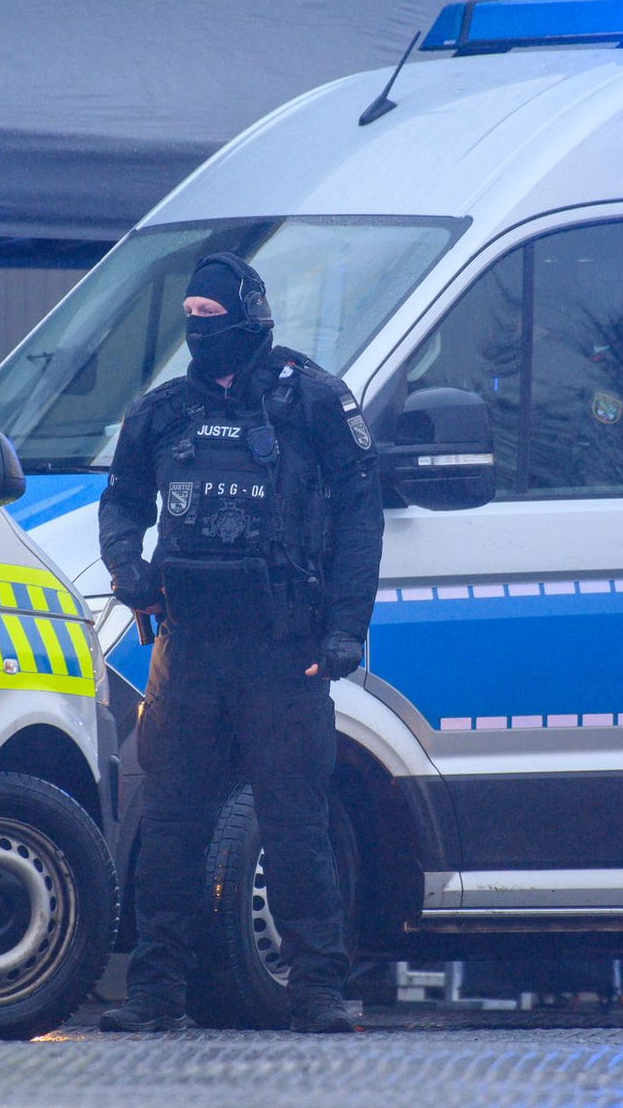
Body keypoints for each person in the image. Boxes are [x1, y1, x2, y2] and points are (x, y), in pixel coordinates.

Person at [97, 252, 384, 1034]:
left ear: (250, 316)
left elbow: (362, 513)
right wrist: (130, 571)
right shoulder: (161, 411)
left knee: (295, 824)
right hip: (187, 651)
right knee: (172, 823)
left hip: (284, 649)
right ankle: (155, 994)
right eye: (190, 318)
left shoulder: (315, 401)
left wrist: (347, 627)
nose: (200, 331)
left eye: (212, 318)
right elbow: (120, 500)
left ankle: (319, 991)